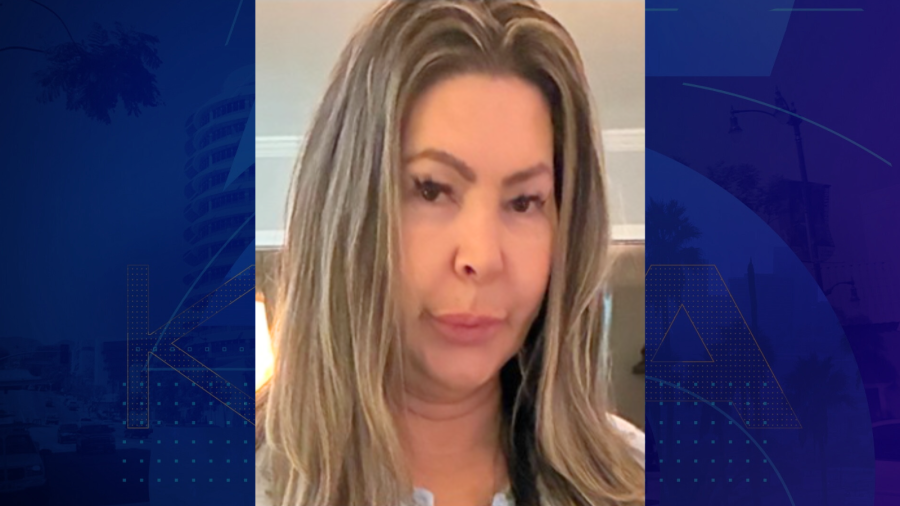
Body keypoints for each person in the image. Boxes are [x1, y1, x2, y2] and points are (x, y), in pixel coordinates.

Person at [255, 1, 645, 505]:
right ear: (348, 209)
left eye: (524, 202)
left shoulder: (636, 476)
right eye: (432, 190)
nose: (481, 257)